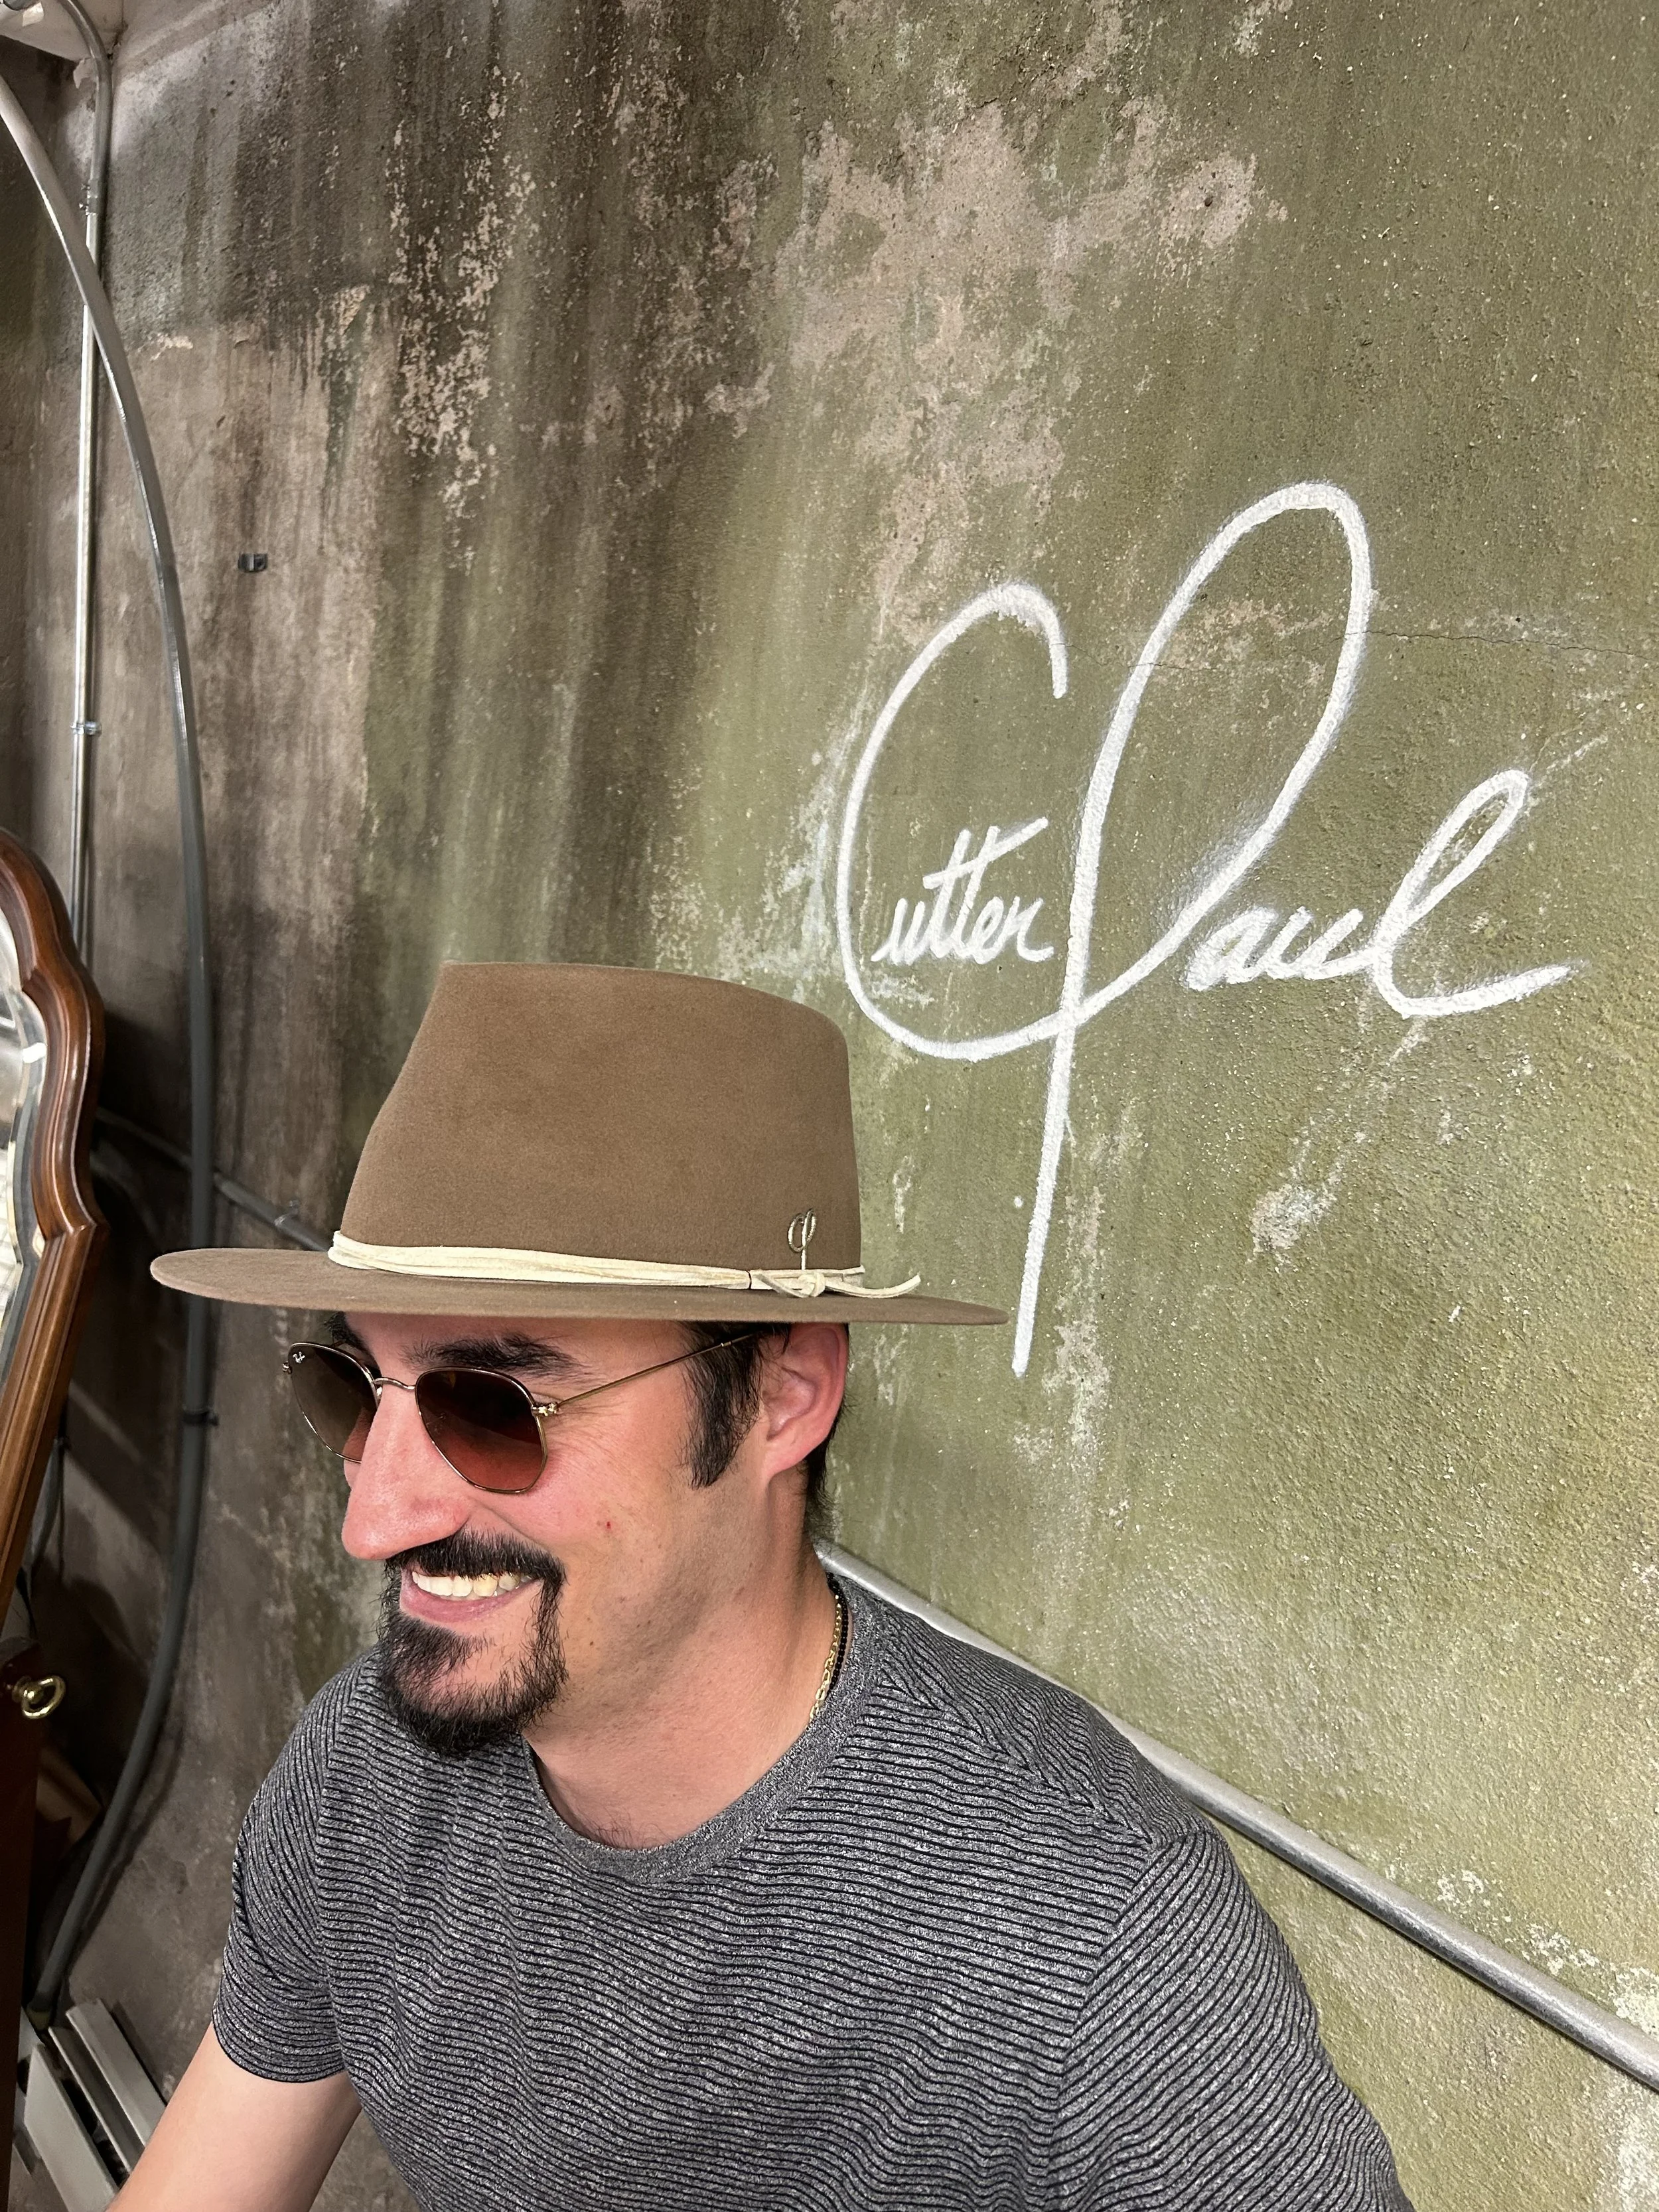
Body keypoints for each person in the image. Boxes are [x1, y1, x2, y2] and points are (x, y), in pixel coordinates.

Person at [122, 962, 1413, 2211]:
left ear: (783, 1396)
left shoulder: (1092, 1949)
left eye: (490, 1402)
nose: (375, 1516)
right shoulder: (370, 1773)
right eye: (352, 1388)